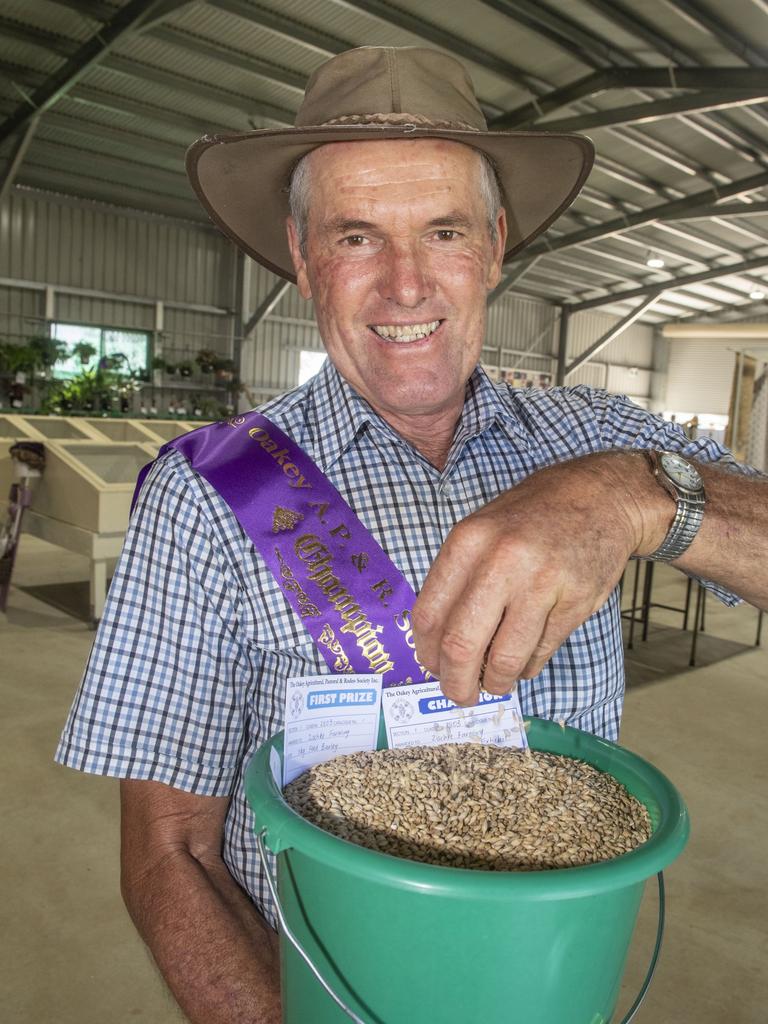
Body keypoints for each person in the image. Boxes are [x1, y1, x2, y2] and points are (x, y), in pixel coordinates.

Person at [56, 45, 768, 1024]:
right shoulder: (207, 492)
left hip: (555, 984)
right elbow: (169, 852)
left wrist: (634, 497)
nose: (405, 285)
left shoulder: (607, 439)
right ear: (303, 258)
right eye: (357, 237)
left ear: (497, 244)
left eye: (443, 231)